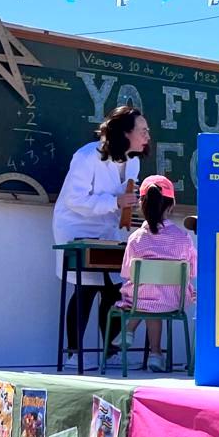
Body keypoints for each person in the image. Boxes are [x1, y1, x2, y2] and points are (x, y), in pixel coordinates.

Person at [52, 104, 150, 365]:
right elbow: (75, 199)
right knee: (86, 288)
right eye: (142, 130)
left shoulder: (133, 162)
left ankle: (111, 352)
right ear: (124, 132)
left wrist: (130, 207)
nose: (147, 136)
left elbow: (122, 199)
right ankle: (74, 353)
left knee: (114, 289)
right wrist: (116, 202)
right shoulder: (86, 157)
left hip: (109, 230)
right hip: (77, 228)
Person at [116, 175, 196, 372]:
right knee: (157, 299)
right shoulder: (183, 238)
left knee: (145, 296)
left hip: (139, 301)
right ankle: (155, 354)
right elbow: (191, 271)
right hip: (173, 303)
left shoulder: (135, 239)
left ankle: (129, 330)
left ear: (142, 204)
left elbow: (127, 273)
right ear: (171, 205)